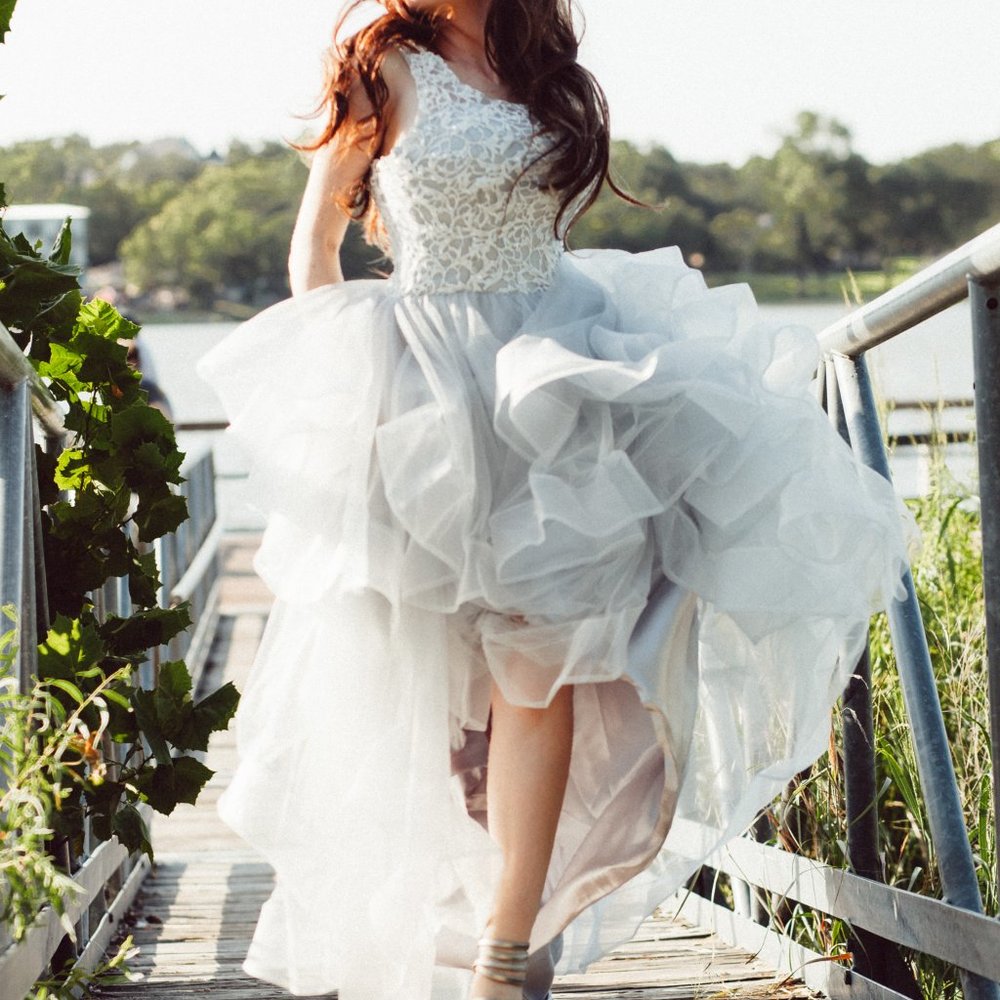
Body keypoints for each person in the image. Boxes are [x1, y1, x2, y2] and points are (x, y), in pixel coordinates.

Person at [196, 2, 914, 999]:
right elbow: (315, 244)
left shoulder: (543, 63)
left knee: (545, 665)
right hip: (422, 387)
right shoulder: (382, 60)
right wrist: (338, 395)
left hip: (557, 375)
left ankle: (505, 948)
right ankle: (462, 906)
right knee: (437, 683)